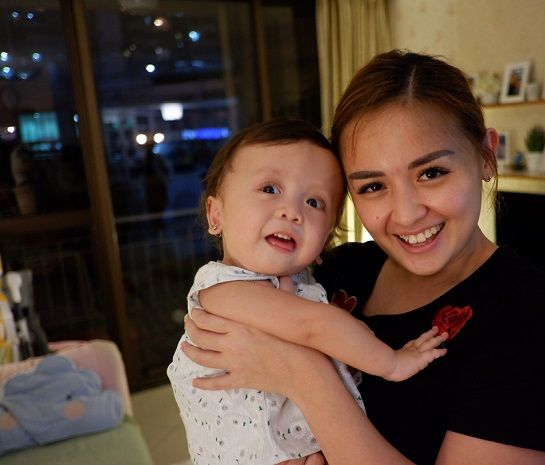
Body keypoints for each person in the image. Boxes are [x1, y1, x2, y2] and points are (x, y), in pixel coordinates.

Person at [182, 50, 545, 465]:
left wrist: (304, 375)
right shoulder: (337, 272)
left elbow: (289, 364)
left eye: (431, 173)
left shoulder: (533, 313)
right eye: (373, 186)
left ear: (486, 154)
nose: (406, 214)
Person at [167, 118, 448, 465]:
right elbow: (314, 326)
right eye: (270, 189)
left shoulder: (309, 285)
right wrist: (392, 363)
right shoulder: (222, 288)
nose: (292, 212)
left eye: (314, 202)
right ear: (216, 214)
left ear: (323, 243)